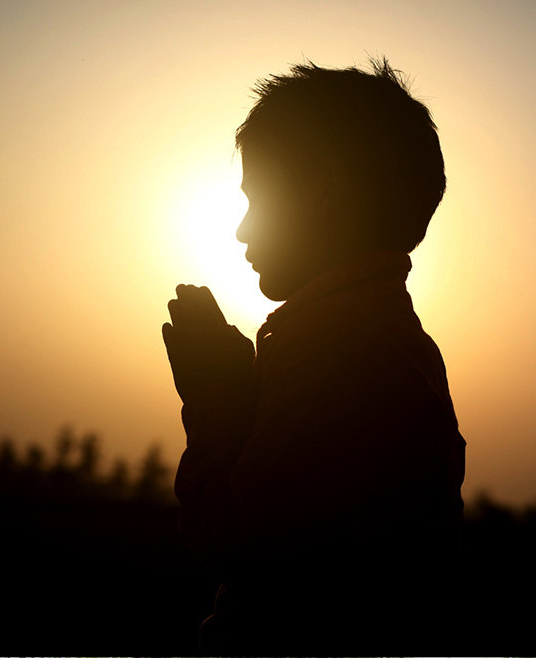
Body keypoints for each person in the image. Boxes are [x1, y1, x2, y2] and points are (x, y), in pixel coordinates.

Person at [162, 58, 465, 654]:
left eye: (259, 198)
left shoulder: (352, 352)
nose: (243, 231)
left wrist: (213, 402)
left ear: (325, 190)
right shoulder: (376, 341)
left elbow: (242, 545)